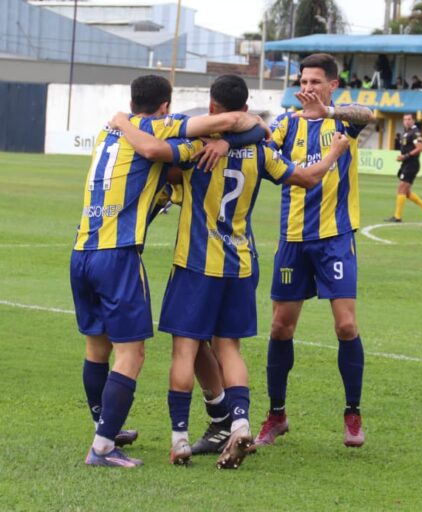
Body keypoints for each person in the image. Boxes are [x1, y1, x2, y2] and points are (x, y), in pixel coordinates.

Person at [112, 74, 350, 469]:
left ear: (211, 109)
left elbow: (157, 157)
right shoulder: (260, 150)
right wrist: (335, 152)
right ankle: (239, 425)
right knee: (228, 348)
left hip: (196, 263)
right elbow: (306, 178)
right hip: (241, 262)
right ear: (245, 107)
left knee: (185, 349)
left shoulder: (197, 149)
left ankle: (180, 438)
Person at [72, 74, 265, 468]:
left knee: (98, 348)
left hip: (82, 251)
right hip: (118, 254)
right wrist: (229, 133)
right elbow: (241, 124)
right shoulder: (158, 126)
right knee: (133, 354)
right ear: (165, 106)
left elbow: (155, 160)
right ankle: (103, 447)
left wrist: (122, 122)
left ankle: (105, 423)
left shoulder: (106, 134)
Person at [254, 53, 375, 451]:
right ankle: (277, 414)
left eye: (315, 82)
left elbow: (369, 113)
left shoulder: (343, 120)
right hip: (292, 240)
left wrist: (329, 109)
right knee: (280, 327)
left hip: (335, 237)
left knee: (345, 326)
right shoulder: (287, 122)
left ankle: (352, 413)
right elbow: (261, 143)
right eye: (303, 82)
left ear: (332, 85)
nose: (307, 89)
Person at [385, 113, 422, 223]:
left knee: (401, 188)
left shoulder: (415, 132)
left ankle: (397, 217)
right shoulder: (406, 132)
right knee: (406, 192)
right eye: (405, 119)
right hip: (406, 164)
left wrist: (405, 156)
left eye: (409, 119)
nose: (407, 121)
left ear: (413, 120)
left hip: (412, 164)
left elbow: (420, 147)